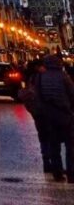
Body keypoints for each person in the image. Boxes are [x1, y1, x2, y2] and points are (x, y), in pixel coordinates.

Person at [35, 54, 74, 182]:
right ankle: (71, 173)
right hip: (65, 114)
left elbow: (38, 95)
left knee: (54, 145)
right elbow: (72, 93)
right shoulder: (63, 76)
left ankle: (57, 173)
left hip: (49, 116)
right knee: (70, 145)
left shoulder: (41, 76)